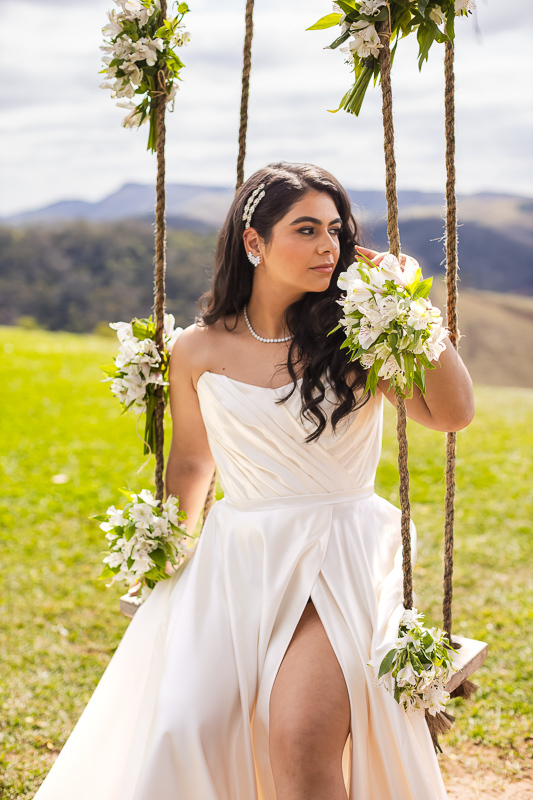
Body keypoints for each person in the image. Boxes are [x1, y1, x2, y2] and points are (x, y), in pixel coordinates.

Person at [33, 162, 475, 800]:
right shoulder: (198, 349)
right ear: (254, 242)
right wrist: (161, 555)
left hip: (339, 554)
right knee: (184, 729)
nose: (329, 246)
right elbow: (193, 462)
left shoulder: (360, 335)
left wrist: (408, 304)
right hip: (238, 559)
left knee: (299, 741)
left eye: (336, 230)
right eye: (306, 229)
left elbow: (452, 413)